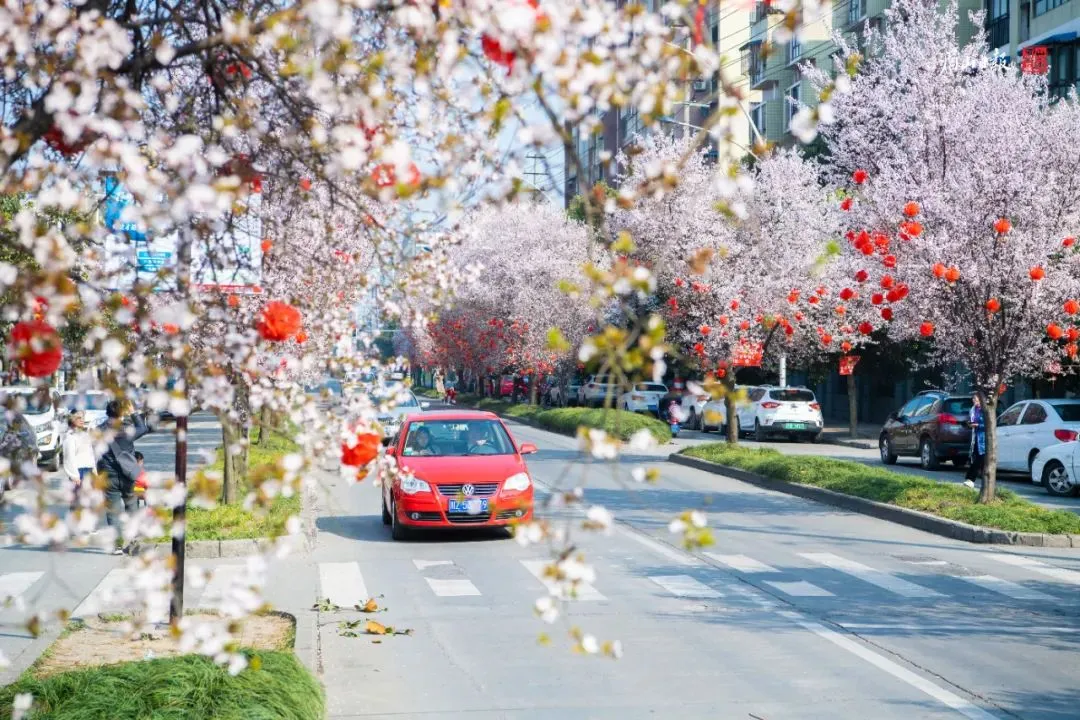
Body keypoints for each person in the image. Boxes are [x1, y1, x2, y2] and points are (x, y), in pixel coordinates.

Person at [97, 399, 151, 554]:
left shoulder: (99, 430)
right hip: (128, 475)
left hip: (108, 476)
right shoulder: (127, 430)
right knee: (132, 506)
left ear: (107, 412)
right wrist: (133, 412)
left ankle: (117, 546)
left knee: (113, 511)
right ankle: (133, 540)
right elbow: (143, 427)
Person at [61, 411, 96, 509]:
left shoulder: (84, 434)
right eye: (78, 418)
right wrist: (74, 476)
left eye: (83, 417)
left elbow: (90, 454)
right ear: (71, 419)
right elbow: (69, 458)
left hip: (88, 471)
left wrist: (94, 469)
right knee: (78, 505)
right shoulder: (70, 437)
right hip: (79, 472)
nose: (82, 420)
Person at [964, 393, 985, 489]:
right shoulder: (973, 409)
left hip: (983, 438)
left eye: (976, 400)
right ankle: (969, 479)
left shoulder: (985, 410)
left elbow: (989, 425)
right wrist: (969, 423)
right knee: (976, 458)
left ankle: (971, 479)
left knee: (980, 459)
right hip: (975, 437)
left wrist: (977, 425)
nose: (975, 402)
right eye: (973, 400)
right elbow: (971, 420)